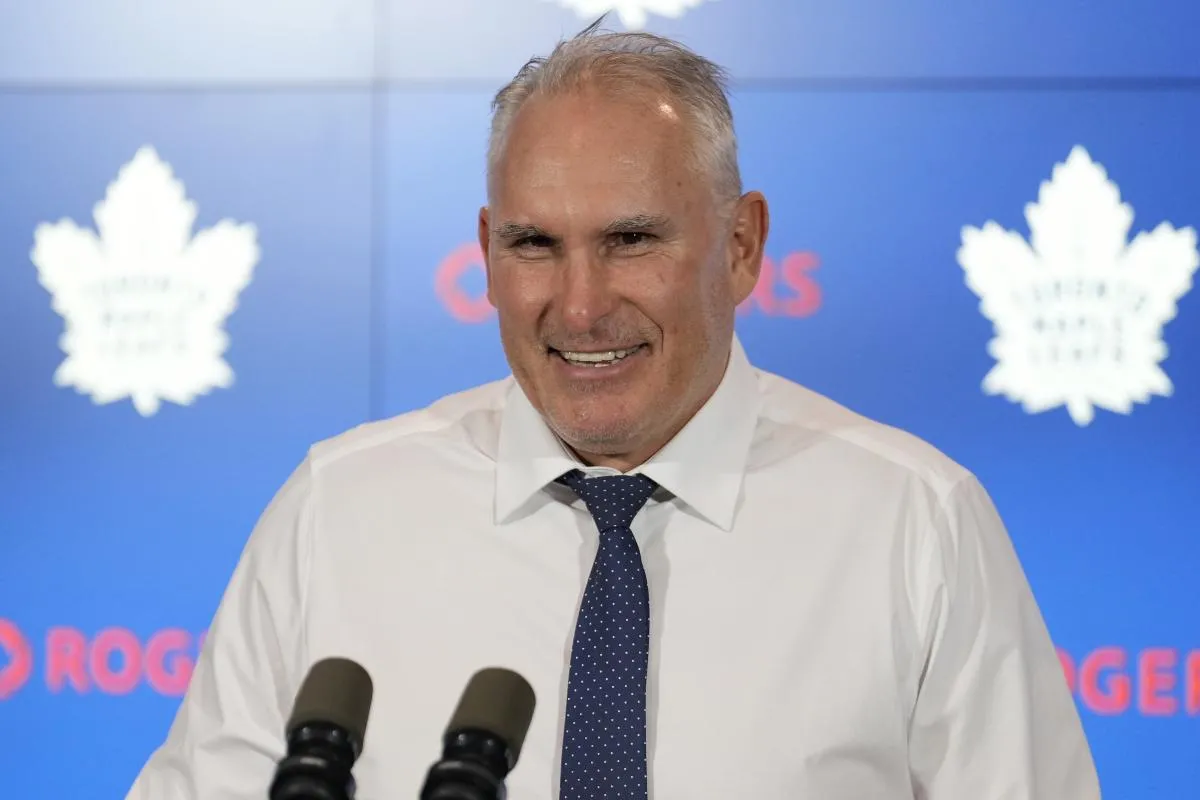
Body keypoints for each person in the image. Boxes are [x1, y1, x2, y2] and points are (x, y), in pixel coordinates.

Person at [125, 22, 1101, 800]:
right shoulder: (337, 510)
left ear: (742, 244)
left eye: (631, 239)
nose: (580, 304)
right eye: (535, 243)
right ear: (485, 248)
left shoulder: (913, 522)